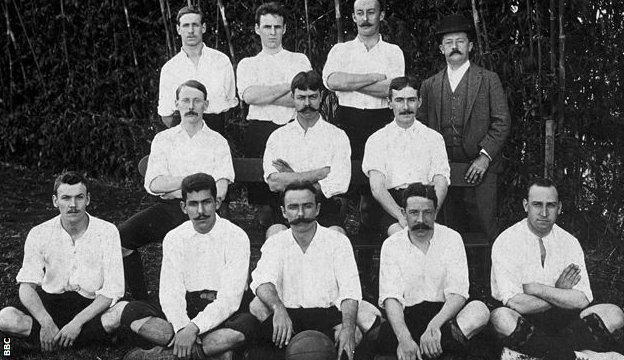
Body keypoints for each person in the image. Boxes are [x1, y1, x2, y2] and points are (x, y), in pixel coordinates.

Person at [120, 173, 257, 360]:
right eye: (193, 204)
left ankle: (165, 356)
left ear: (217, 203)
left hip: (225, 312)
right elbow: (171, 292)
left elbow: (230, 300)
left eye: (206, 202)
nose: (201, 210)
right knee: (131, 313)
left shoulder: (236, 236)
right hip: (187, 307)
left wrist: (194, 329)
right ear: (184, 207)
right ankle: (209, 352)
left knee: (245, 328)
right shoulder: (175, 238)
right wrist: (182, 327)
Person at [120, 80, 235, 300]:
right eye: (186, 100)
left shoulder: (217, 142)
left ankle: (201, 300)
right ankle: (141, 300)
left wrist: (178, 189)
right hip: (170, 209)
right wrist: (193, 182)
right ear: (177, 104)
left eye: (197, 101)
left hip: (204, 212)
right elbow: (154, 184)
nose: (191, 106)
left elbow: (220, 189)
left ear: (206, 105)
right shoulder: (163, 139)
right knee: (121, 239)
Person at [490, 178, 624, 360]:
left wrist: (539, 289)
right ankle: (577, 356)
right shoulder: (506, 241)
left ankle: (532, 355)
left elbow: (582, 299)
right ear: (525, 205)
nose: (544, 212)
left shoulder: (569, 242)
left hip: (565, 320)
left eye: (550, 205)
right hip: (524, 319)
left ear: (559, 207)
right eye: (537, 204)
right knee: (500, 318)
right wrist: (560, 291)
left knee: (614, 313)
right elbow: (516, 303)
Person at [249, 182, 380, 360]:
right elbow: (262, 282)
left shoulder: (337, 241)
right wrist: (278, 309)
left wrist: (348, 328)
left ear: (318, 209)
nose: (301, 214)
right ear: (283, 212)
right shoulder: (276, 242)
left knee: (354, 337)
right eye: (293, 207)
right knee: (260, 340)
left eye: (307, 206)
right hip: (288, 315)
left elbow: (350, 291)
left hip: (329, 314)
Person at [0, 171, 126, 352]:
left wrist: (76, 323)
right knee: (5, 317)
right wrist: (46, 322)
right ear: (55, 201)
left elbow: (111, 291)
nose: (73, 205)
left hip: (90, 307)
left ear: (88, 199)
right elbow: (26, 286)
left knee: (121, 311)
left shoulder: (107, 231)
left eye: (79, 197)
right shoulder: (39, 232)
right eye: (66, 198)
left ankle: (57, 340)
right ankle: (78, 338)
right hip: (51, 304)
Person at [364, 182, 490, 360]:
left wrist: (434, 326)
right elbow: (391, 297)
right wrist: (404, 338)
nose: (420, 220)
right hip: (407, 317)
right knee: (363, 314)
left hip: (445, 318)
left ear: (436, 212)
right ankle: (423, 349)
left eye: (427, 212)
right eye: (414, 213)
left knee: (480, 311)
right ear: (403, 213)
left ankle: (429, 348)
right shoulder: (391, 245)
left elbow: (458, 294)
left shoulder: (452, 239)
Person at [417, 14, 511, 242]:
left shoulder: (488, 80)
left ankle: (487, 277)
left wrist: (485, 158)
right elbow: (420, 128)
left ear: (470, 46)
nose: (454, 47)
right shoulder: (430, 85)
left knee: (485, 231)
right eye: (448, 43)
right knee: (446, 235)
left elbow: (502, 122)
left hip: (480, 169)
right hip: (443, 172)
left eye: (460, 41)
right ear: (441, 49)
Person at [236, 2, 312, 225]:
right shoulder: (247, 64)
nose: (272, 32)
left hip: (293, 128)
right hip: (259, 130)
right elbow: (250, 97)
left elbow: (302, 99)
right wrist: (288, 86)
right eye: (267, 27)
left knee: (295, 192)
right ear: (257, 29)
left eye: (277, 27)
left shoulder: (299, 60)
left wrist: (267, 94)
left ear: (284, 29)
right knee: (266, 206)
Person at [263, 70, 351, 235]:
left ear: (321, 96)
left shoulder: (337, 136)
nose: (307, 104)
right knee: (276, 234)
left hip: (324, 206)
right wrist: (320, 173)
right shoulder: (278, 137)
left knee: (336, 235)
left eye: (312, 97)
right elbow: (274, 183)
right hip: (286, 207)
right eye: (301, 98)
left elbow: (339, 183)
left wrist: (290, 176)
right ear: (292, 98)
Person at [361, 76, 450, 238]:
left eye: (411, 100)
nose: (406, 107)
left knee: (437, 237)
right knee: (402, 235)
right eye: (399, 100)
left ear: (419, 102)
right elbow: (377, 188)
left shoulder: (434, 138)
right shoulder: (377, 139)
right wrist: (401, 215)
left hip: (425, 202)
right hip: (390, 206)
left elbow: (441, 181)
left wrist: (431, 212)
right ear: (390, 103)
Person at [322, 0, 404, 160]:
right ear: (354, 17)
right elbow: (332, 82)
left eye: (371, 12)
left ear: (381, 15)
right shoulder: (340, 50)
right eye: (360, 13)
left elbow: (391, 90)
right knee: (350, 180)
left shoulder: (393, 52)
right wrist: (373, 77)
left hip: (382, 123)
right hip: (346, 122)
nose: (365, 18)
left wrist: (348, 83)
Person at [158, 5, 238, 133]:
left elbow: (229, 103)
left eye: (195, 25)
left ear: (203, 28)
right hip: (182, 133)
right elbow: (165, 114)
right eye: (185, 25)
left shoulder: (221, 61)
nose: (191, 30)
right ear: (178, 29)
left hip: (215, 130)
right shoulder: (169, 68)